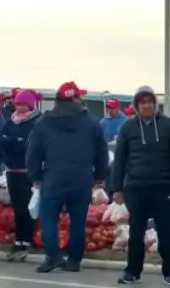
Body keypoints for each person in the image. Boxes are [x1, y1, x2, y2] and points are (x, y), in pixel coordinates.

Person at [110, 86, 170, 286]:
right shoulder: (128, 128)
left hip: (164, 188)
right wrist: (117, 188)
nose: (146, 105)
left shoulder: (169, 126)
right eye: (142, 102)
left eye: (150, 101)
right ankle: (132, 272)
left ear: (155, 104)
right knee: (136, 233)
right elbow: (119, 160)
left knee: (166, 232)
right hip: (136, 188)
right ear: (137, 105)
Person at [26, 81, 109, 273]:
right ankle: (74, 260)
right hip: (81, 177)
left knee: (48, 218)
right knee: (78, 220)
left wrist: (36, 176)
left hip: (53, 176)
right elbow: (101, 151)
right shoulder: (90, 122)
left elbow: (33, 152)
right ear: (74, 99)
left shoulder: (45, 122)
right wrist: (100, 176)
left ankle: (53, 255)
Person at [0, 89, 43, 261]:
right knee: (17, 208)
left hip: (28, 172)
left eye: (24, 104)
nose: (21, 108)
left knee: (28, 207)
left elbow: (29, 146)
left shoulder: (37, 122)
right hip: (11, 170)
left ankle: (27, 240)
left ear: (30, 105)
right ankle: (19, 239)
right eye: (18, 104)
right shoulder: (11, 121)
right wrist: (14, 142)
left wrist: (13, 142)